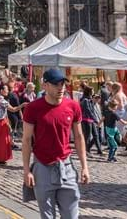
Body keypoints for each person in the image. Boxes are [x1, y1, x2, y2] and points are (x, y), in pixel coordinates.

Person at [22, 68, 89, 219]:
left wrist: (85, 167)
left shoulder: (73, 106)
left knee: (71, 215)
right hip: (42, 167)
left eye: (62, 84)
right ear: (45, 85)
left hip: (66, 167)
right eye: (56, 84)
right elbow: (26, 140)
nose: (61, 88)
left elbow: (79, 137)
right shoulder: (33, 108)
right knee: (47, 216)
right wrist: (27, 170)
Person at [0, 84, 23, 164]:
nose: (8, 91)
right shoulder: (2, 101)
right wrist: (22, 105)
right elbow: (13, 109)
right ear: (1, 90)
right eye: (6, 89)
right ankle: (1, 158)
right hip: (0, 122)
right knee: (2, 140)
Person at [79, 86, 102, 156]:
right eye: (92, 91)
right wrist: (95, 119)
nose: (93, 92)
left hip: (91, 120)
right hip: (86, 120)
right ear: (89, 92)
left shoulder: (89, 99)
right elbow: (88, 110)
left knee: (95, 135)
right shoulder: (85, 100)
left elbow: (92, 110)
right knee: (87, 136)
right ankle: (86, 151)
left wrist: (94, 119)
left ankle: (99, 150)